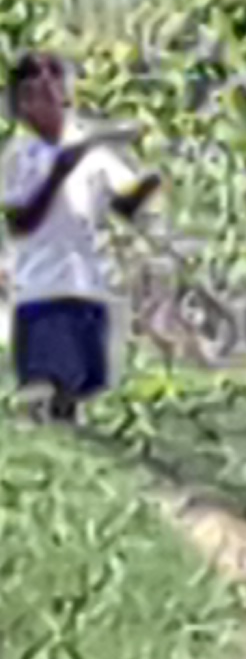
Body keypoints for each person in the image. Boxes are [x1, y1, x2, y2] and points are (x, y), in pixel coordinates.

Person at [4, 51, 154, 428]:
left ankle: (62, 421)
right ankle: (37, 416)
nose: (48, 99)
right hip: (41, 286)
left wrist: (148, 186)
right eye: (35, 93)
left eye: (55, 86)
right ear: (22, 106)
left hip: (88, 282)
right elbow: (21, 221)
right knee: (47, 373)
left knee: (81, 381)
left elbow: (125, 206)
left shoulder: (93, 153)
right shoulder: (19, 157)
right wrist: (57, 174)